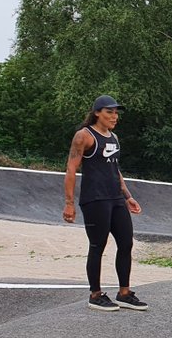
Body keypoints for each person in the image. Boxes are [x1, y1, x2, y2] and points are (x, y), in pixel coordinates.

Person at [62, 95, 147, 312]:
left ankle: (124, 293)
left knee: (126, 243)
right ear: (97, 113)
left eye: (116, 113)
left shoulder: (114, 137)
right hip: (95, 199)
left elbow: (115, 169)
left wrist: (127, 196)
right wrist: (69, 203)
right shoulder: (84, 136)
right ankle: (95, 295)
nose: (114, 116)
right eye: (110, 112)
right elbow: (71, 169)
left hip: (116, 198)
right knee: (97, 246)